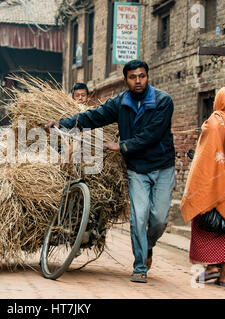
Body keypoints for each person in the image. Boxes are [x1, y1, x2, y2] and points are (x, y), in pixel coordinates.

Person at [45, 60, 176, 283]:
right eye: (133, 77)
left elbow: (152, 133)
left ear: (147, 77)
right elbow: (94, 116)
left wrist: (122, 146)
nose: (138, 81)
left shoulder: (163, 101)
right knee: (138, 217)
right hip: (137, 169)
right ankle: (140, 266)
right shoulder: (119, 103)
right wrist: (64, 124)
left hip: (162, 166)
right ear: (126, 80)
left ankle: (149, 244)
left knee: (159, 220)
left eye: (142, 76)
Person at [180, 87, 225, 288]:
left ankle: (211, 268)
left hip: (214, 186)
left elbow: (204, 156)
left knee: (208, 229)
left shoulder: (214, 121)